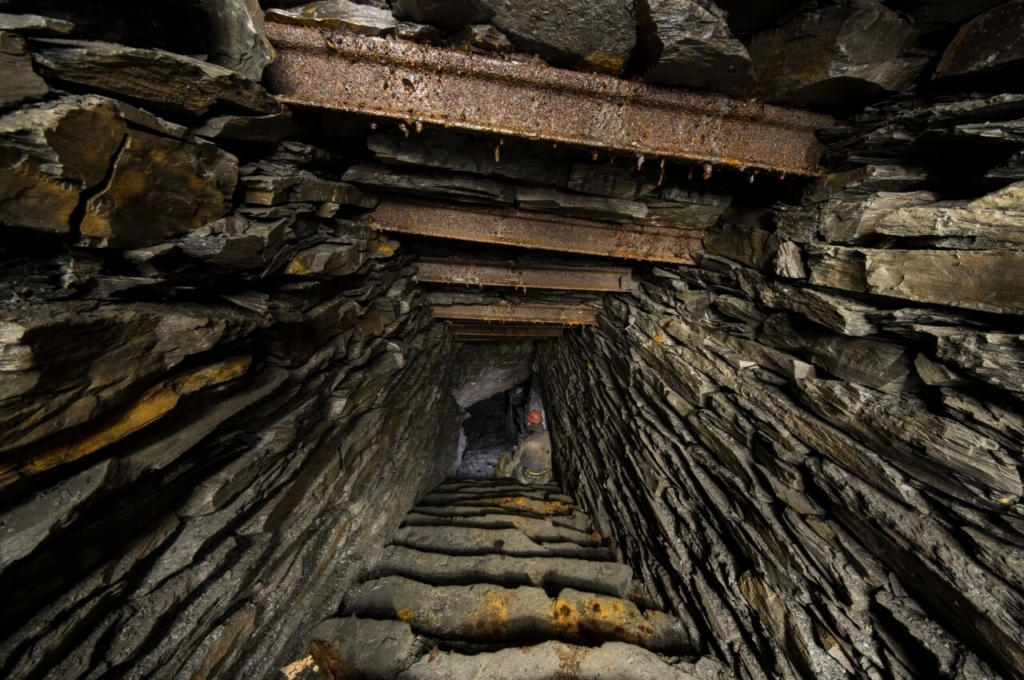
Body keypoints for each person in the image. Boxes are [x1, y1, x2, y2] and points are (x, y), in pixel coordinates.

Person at [497, 410, 552, 485]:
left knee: (506, 456)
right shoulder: (547, 433)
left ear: (528, 423)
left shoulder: (525, 439)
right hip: (545, 478)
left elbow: (516, 460)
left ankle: (499, 478)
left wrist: (509, 468)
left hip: (527, 478)